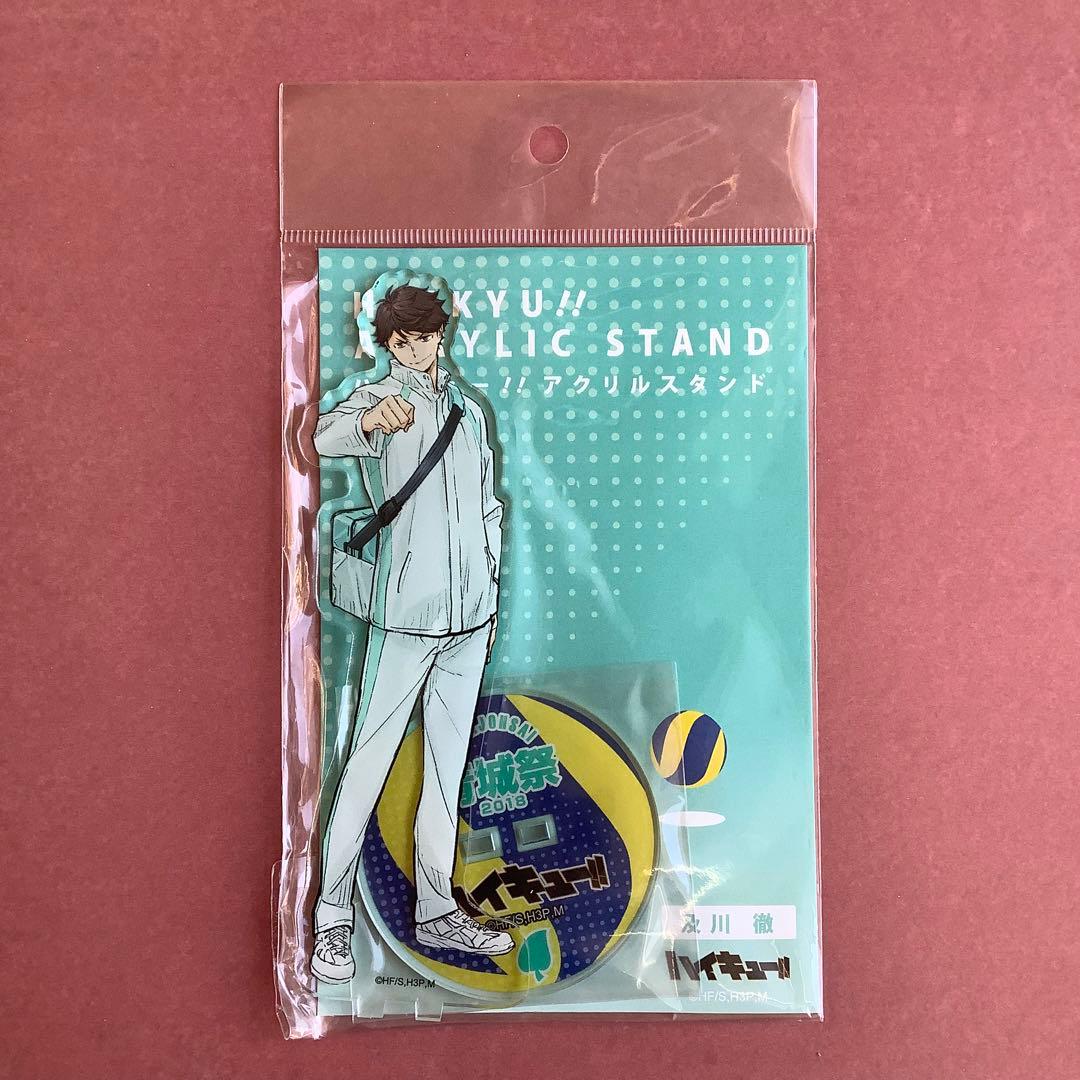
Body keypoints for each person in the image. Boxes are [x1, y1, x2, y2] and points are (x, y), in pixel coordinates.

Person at [310, 283, 512, 983]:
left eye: (428, 336)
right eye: (406, 340)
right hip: (405, 617)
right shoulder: (378, 400)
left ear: (441, 335)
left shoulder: (467, 410)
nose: (420, 349)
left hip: (471, 617)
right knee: (367, 760)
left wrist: (490, 581)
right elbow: (322, 436)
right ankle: (331, 918)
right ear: (389, 344)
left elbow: (486, 503)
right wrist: (371, 420)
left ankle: (436, 906)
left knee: (447, 771)